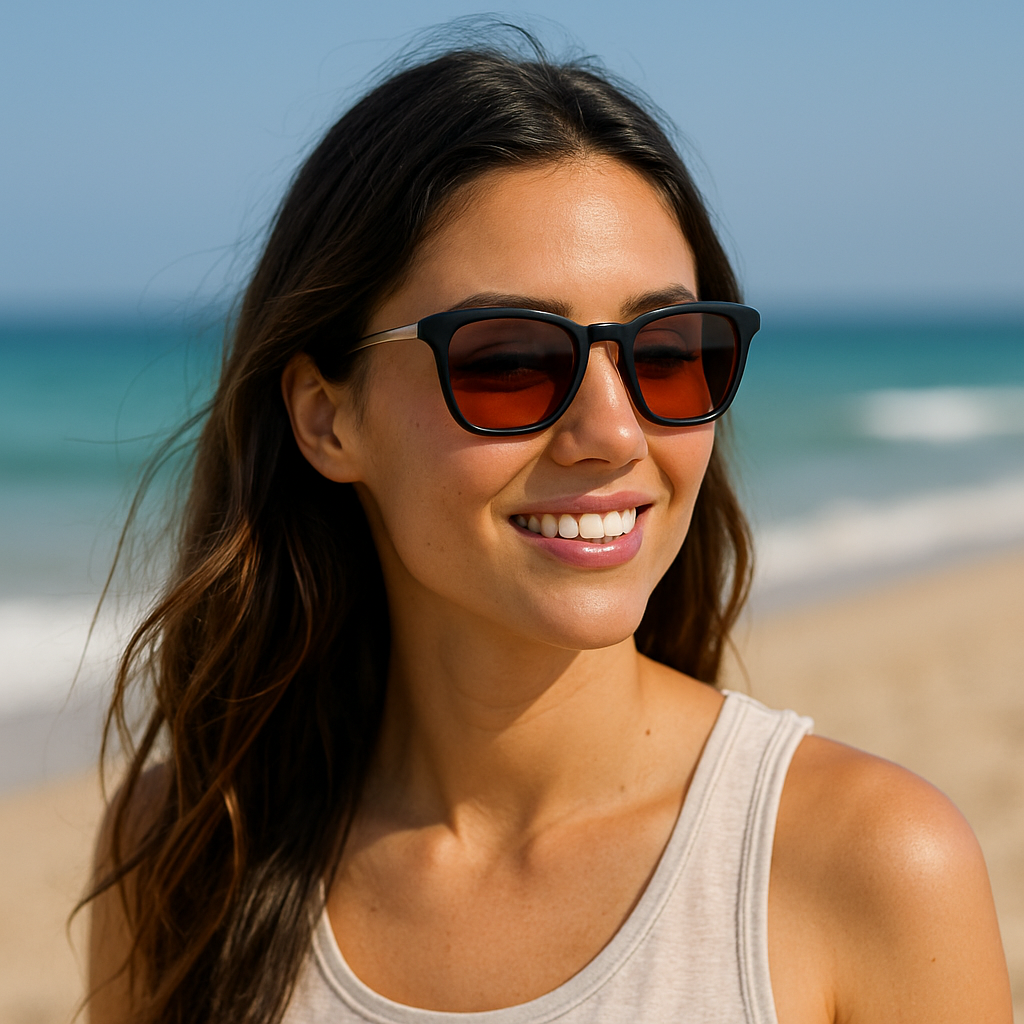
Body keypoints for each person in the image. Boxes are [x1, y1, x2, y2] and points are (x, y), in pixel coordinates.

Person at [85, 34, 1013, 1024]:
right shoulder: (191, 853)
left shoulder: (870, 864)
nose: (612, 432)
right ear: (327, 415)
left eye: (667, 353)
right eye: (509, 360)